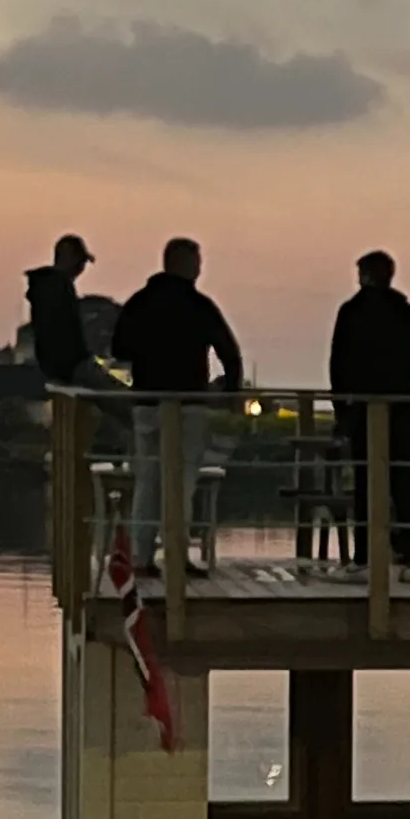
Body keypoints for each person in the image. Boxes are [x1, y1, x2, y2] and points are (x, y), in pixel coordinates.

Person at [112, 238, 242, 575]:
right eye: (197, 261)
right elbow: (229, 351)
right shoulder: (199, 305)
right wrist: (233, 392)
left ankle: (140, 558)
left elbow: (119, 348)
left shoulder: (140, 303)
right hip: (189, 403)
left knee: (147, 481)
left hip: (147, 402)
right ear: (187, 265)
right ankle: (176, 556)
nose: (200, 268)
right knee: (182, 483)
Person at [329, 251, 410, 580]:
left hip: (362, 409)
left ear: (365, 275)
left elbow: (338, 364)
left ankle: (363, 558)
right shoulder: (407, 313)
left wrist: (341, 409)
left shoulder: (351, 313)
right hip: (402, 409)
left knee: (365, 484)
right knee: (403, 483)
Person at [24, 233, 109, 387]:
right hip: (69, 368)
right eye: (80, 261)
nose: (81, 267)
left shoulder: (45, 287)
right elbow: (67, 334)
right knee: (113, 392)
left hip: (56, 369)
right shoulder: (59, 287)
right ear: (69, 258)